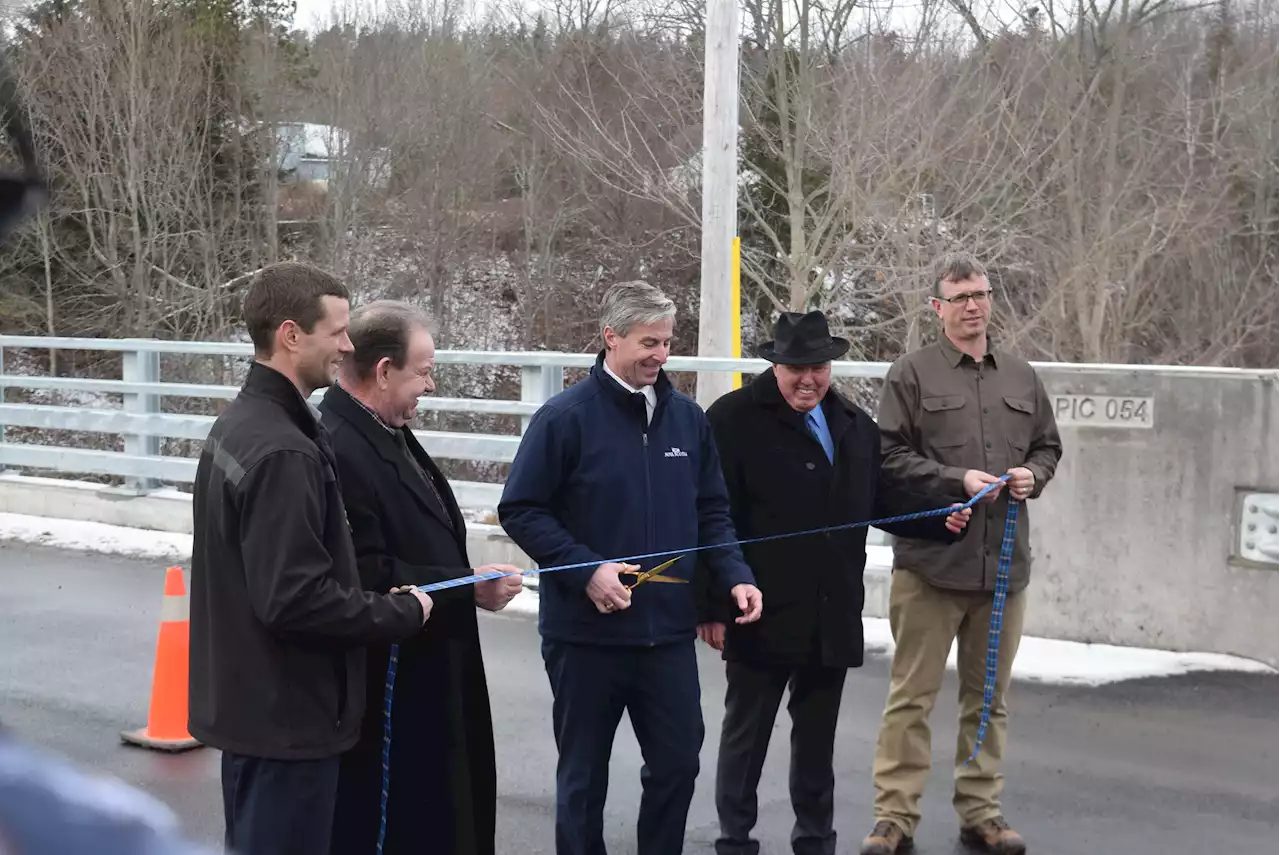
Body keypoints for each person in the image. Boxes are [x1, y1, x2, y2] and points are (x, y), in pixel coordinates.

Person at [692, 310, 974, 855]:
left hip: (831, 610)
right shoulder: (730, 420)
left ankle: (816, 839)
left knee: (817, 740)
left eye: (817, 367)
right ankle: (735, 839)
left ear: (830, 366)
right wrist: (710, 604)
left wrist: (940, 518)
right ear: (775, 365)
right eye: (795, 367)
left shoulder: (853, 424)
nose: (807, 379)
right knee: (747, 734)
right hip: (758, 606)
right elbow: (709, 514)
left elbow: (876, 501)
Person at [497, 280, 764, 855]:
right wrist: (586, 570)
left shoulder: (688, 421)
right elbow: (520, 509)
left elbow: (713, 512)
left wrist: (736, 575)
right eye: (649, 342)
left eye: (667, 342)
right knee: (583, 777)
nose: (661, 355)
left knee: (676, 765)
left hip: (666, 634)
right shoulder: (563, 418)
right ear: (610, 337)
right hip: (584, 637)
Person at [188, 263, 435, 855]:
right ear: (291, 335)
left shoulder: (242, 423)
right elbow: (294, 598)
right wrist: (400, 613)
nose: (348, 346)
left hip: (254, 708)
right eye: (338, 332)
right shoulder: (282, 451)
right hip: (288, 718)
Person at [858, 252, 1062, 855]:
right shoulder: (911, 373)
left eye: (981, 294)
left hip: (1003, 568)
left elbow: (1049, 446)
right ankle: (894, 818)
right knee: (910, 699)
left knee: (989, 700)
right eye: (960, 297)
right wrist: (956, 480)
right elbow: (888, 457)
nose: (973, 306)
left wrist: (1032, 474)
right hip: (931, 567)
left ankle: (982, 813)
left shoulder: (1022, 375)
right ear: (937, 307)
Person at [318, 300, 524, 855]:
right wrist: (464, 586)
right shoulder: (337, 444)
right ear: (383, 371)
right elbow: (362, 570)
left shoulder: (383, 426)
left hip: (435, 663)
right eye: (424, 370)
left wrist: (465, 581)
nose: (430, 385)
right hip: (392, 685)